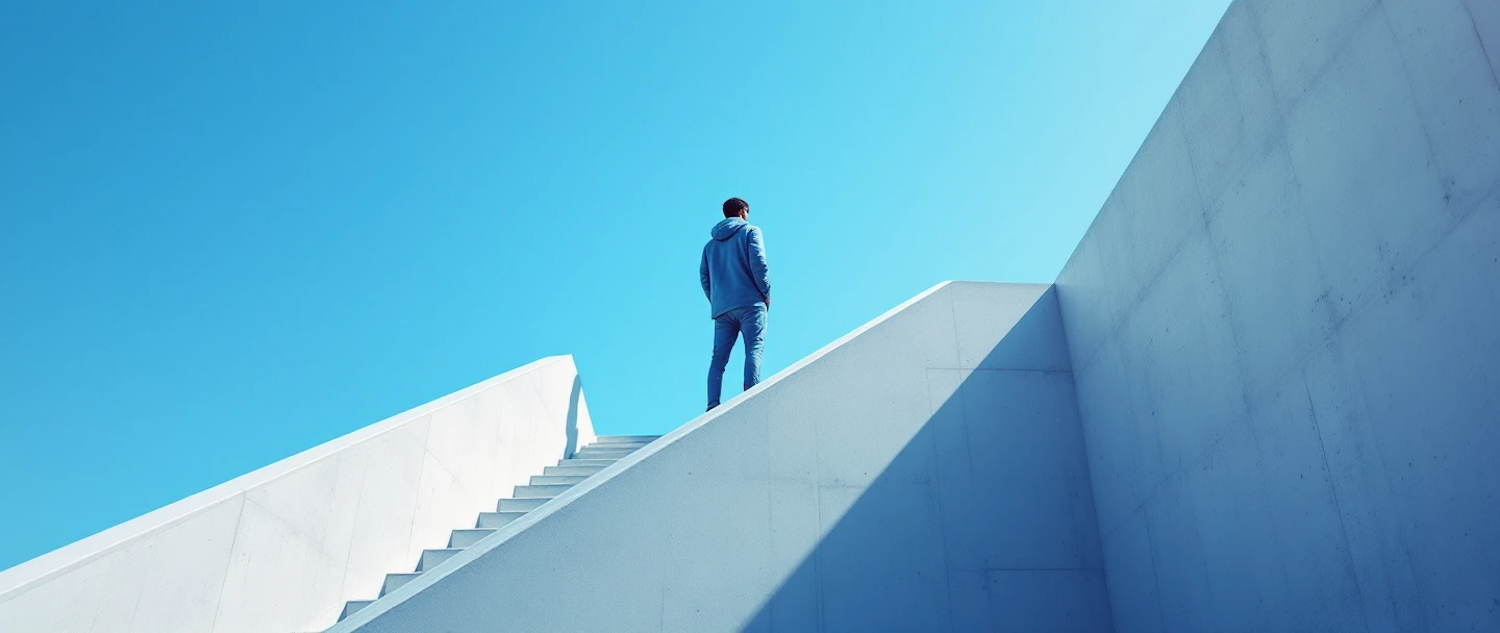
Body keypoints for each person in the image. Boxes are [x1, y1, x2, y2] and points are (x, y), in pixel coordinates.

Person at [700, 197, 771, 411]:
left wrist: (717, 301)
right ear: (742, 211)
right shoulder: (750, 231)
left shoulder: (709, 246)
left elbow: (704, 278)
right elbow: (759, 263)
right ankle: (751, 396)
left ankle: (713, 404)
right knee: (753, 349)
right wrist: (766, 293)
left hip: (723, 309)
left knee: (718, 359)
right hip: (751, 302)